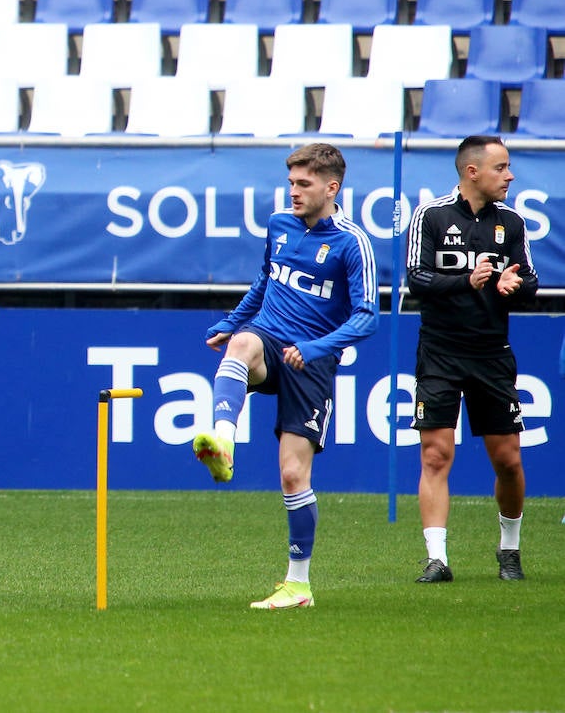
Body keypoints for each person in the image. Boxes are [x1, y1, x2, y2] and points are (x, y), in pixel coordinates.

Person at [192, 143, 378, 610]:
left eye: (304, 184)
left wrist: (316, 347)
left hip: (311, 363)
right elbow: (264, 281)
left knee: (294, 476)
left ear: (331, 187)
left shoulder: (351, 243)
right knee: (241, 346)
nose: (293, 191)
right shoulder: (278, 225)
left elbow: (367, 317)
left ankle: (298, 585)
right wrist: (231, 321)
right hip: (269, 341)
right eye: (291, 182)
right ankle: (223, 442)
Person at [406, 135, 537, 584]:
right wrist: (468, 280)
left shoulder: (512, 223)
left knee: (508, 460)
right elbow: (416, 278)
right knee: (436, 455)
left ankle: (509, 549)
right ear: (472, 171)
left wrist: (512, 285)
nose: (510, 175)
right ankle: (437, 559)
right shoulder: (432, 215)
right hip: (440, 351)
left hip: (491, 354)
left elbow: (531, 281)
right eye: (501, 167)